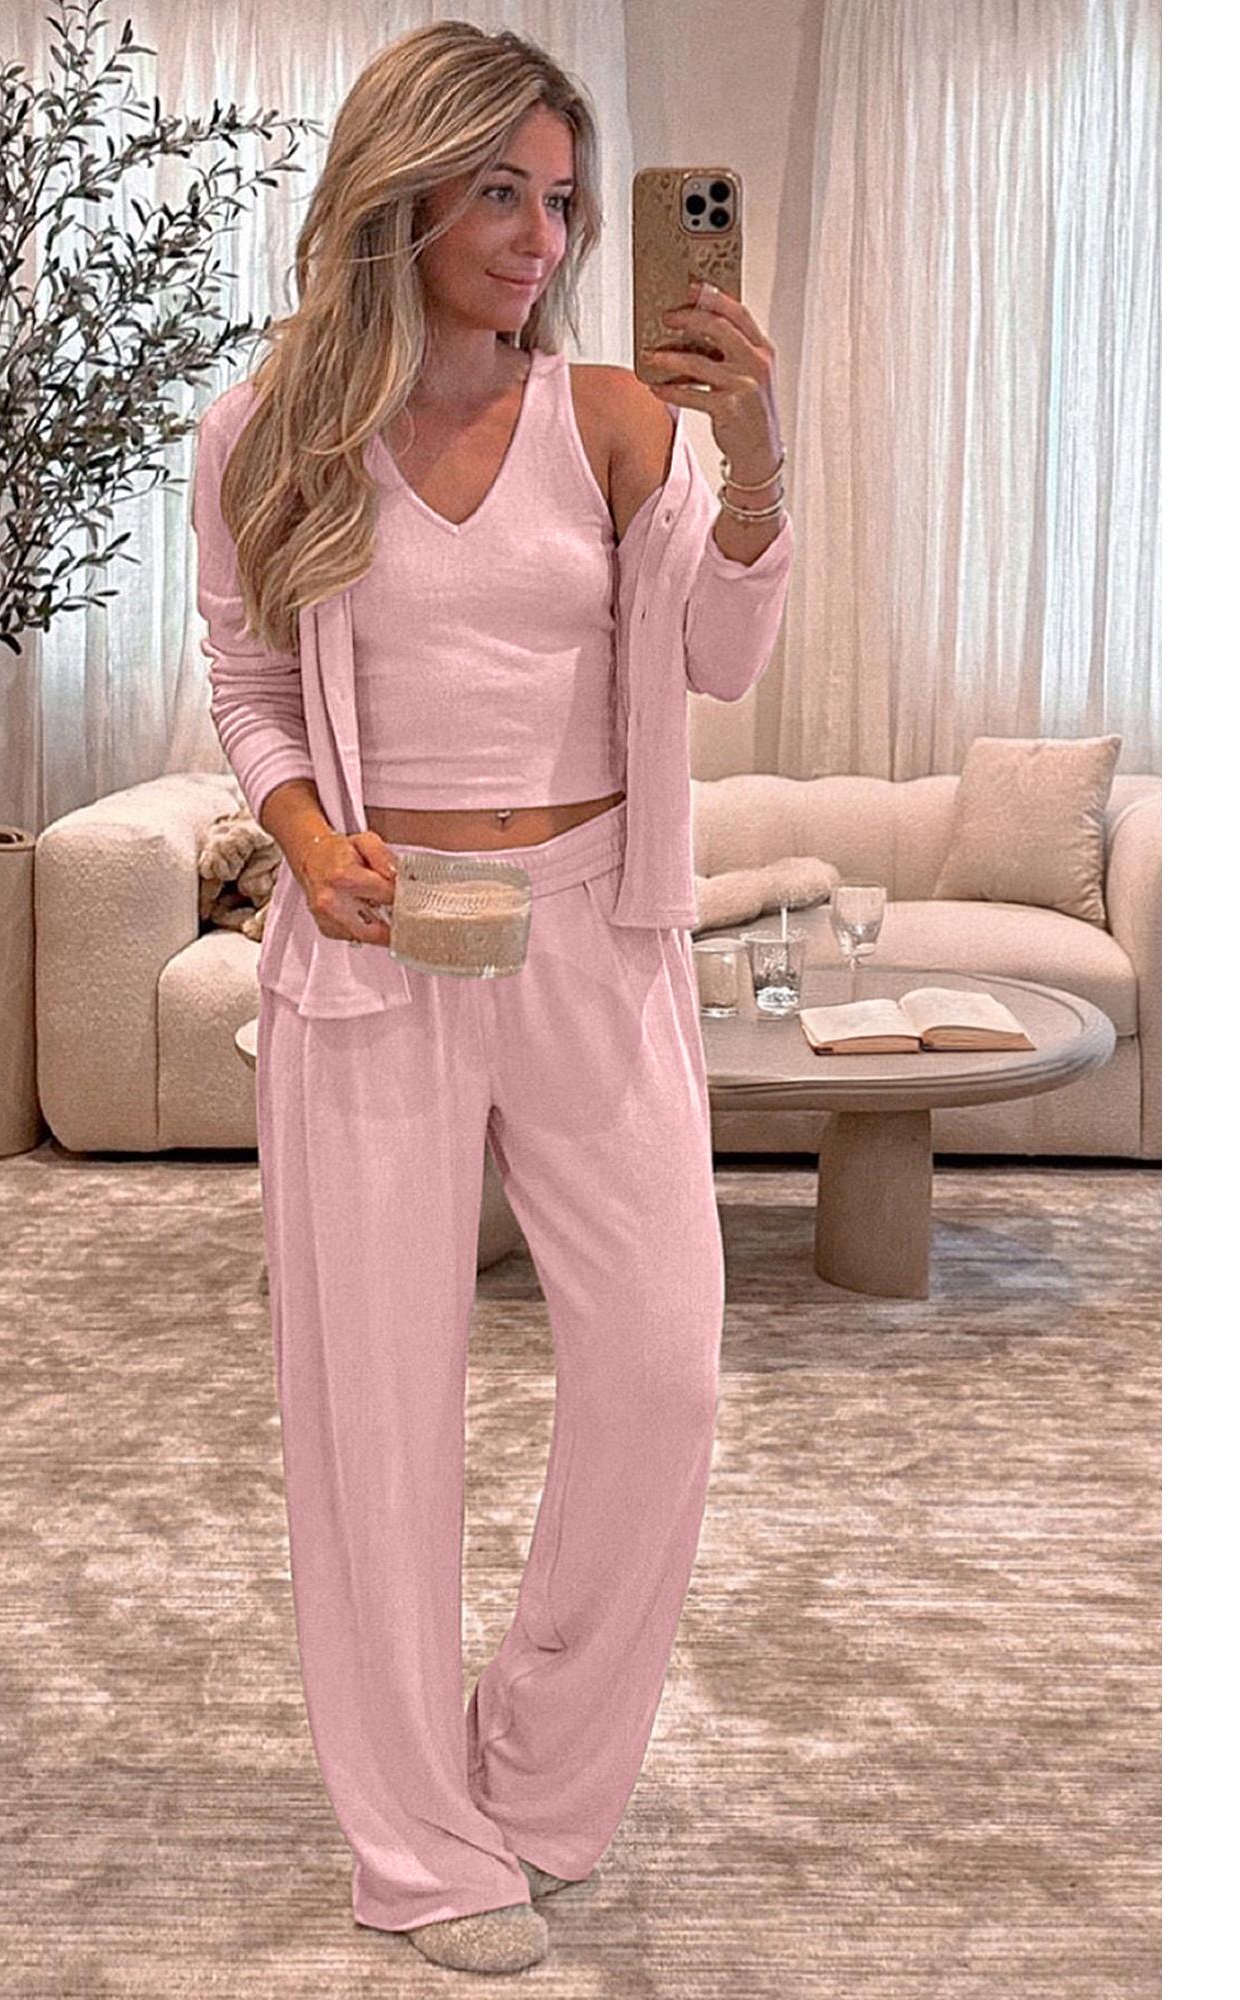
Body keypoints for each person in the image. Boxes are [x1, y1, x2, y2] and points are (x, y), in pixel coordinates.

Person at [192, 21, 793, 1976]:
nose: (542, 237)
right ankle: (413, 1844)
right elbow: (249, 682)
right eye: (498, 194)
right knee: (373, 1409)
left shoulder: (613, 422)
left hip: (593, 931)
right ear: (402, 194)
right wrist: (304, 841)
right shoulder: (268, 428)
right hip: (376, 941)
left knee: (661, 1365)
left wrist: (755, 458)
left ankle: (533, 1785)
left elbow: (716, 654)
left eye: (560, 200)